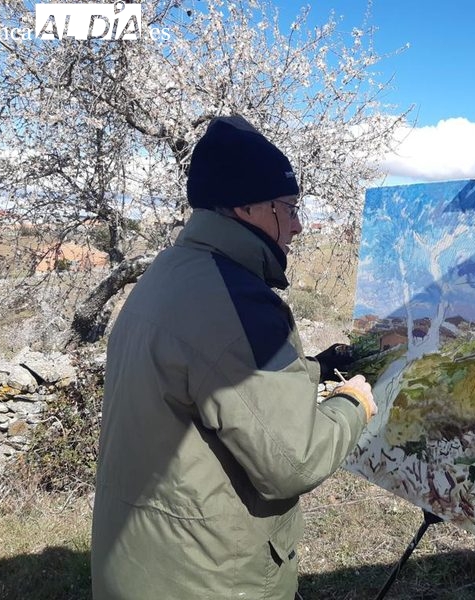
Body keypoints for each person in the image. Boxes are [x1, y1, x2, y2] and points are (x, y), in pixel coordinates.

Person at [91, 115, 378, 600]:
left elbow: (213, 378)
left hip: (141, 561)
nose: (299, 225)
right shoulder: (240, 302)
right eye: (289, 207)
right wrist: (353, 404)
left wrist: (315, 369)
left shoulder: (170, 271)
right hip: (209, 577)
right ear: (249, 208)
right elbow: (294, 462)